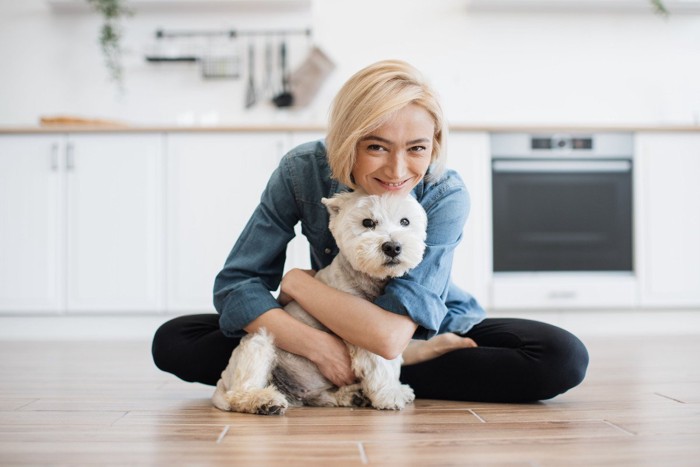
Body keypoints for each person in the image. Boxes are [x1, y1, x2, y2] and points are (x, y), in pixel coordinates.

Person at [152, 59, 589, 403]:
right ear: (346, 140)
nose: (398, 171)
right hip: (321, 332)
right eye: (377, 147)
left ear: (433, 146)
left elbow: (388, 335)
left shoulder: (445, 192)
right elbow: (236, 285)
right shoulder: (302, 170)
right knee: (175, 340)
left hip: (415, 328)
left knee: (560, 357)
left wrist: (297, 283)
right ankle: (372, 377)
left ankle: (388, 370)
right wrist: (318, 348)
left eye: (416, 149)